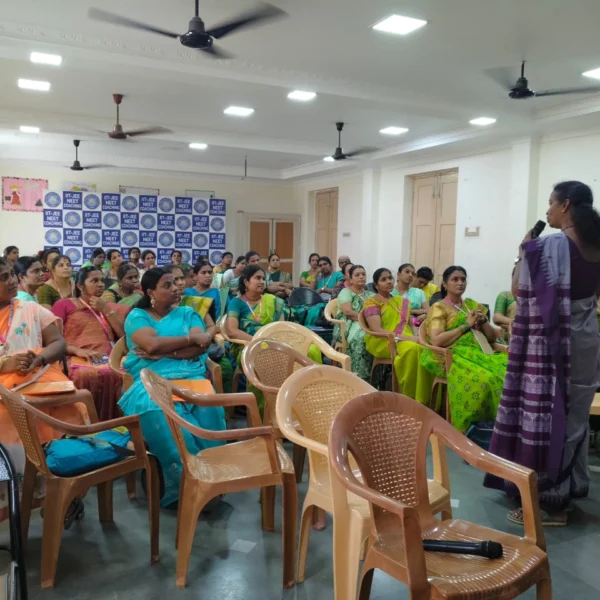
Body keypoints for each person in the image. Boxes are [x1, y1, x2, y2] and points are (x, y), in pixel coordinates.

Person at [485, 181, 600, 527]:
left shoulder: (549, 246)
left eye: (551, 203)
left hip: (550, 346)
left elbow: (519, 290)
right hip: (585, 341)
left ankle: (550, 504)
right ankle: (568, 489)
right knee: (574, 420)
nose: (547, 210)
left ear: (565, 206)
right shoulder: (596, 245)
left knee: (547, 419)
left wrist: (523, 252)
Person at [119, 267, 226, 507]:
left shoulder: (188, 313)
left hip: (190, 375)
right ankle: (186, 484)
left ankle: (214, 480)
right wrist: (188, 340)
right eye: (167, 285)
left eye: (175, 283)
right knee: (162, 412)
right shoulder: (138, 316)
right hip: (151, 378)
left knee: (208, 408)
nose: (176, 288)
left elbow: (202, 345)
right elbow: (152, 345)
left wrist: (169, 352)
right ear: (151, 292)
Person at [0, 257, 89, 522]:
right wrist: (4, 365)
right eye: (3, 278)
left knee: (70, 409)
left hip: (40, 378)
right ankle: (14, 498)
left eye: (11, 275)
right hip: (5, 390)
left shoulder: (30, 308)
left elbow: (58, 343)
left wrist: (38, 358)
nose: (12, 281)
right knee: (9, 417)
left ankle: (62, 493)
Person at [420, 266, 508, 432]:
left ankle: (503, 424)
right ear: (445, 284)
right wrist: (466, 325)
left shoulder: (472, 305)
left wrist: (483, 322)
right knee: (486, 380)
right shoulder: (439, 308)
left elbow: (491, 338)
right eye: (455, 279)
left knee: (508, 370)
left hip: (479, 353)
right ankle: (473, 428)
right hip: (452, 354)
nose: (460, 283)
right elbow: (437, 341)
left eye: (463, 279)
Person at [52, 266, 128, 421]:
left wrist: (105, 309)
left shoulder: (107, 306)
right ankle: (86, 423)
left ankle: (120, 425)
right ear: (80, 286)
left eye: (102, 280)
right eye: (94, 281)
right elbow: (53, 339)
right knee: (85, 375)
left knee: (127, 371)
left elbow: (123, 337)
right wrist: (77, 350)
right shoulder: (64, 304)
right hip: (76, 356)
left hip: (107, 356)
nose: (101, 284)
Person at [363, 268, 435, 403]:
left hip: (404, 339)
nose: (389, 281)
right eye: (383, 280)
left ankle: (426, 398)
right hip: (383, 341)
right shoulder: (372, 302)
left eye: (390, 278)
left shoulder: (401, 301)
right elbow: (377, 330)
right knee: (413, 349)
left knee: (427, 349)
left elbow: (411, 325)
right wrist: (411, 339)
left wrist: (417, 336)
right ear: (376, 285)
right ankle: (409, 397)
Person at [333, 265, 374, 380]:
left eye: (363, 274)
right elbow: (348, 312)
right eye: (357, 275)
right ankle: (358, 377)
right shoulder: (346, 292)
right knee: (361, 338)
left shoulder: (369, 294)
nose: (361, 277)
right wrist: (367, 321)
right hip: (349, 323)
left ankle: (374, 378)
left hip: (368, 323)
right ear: (350, 279)